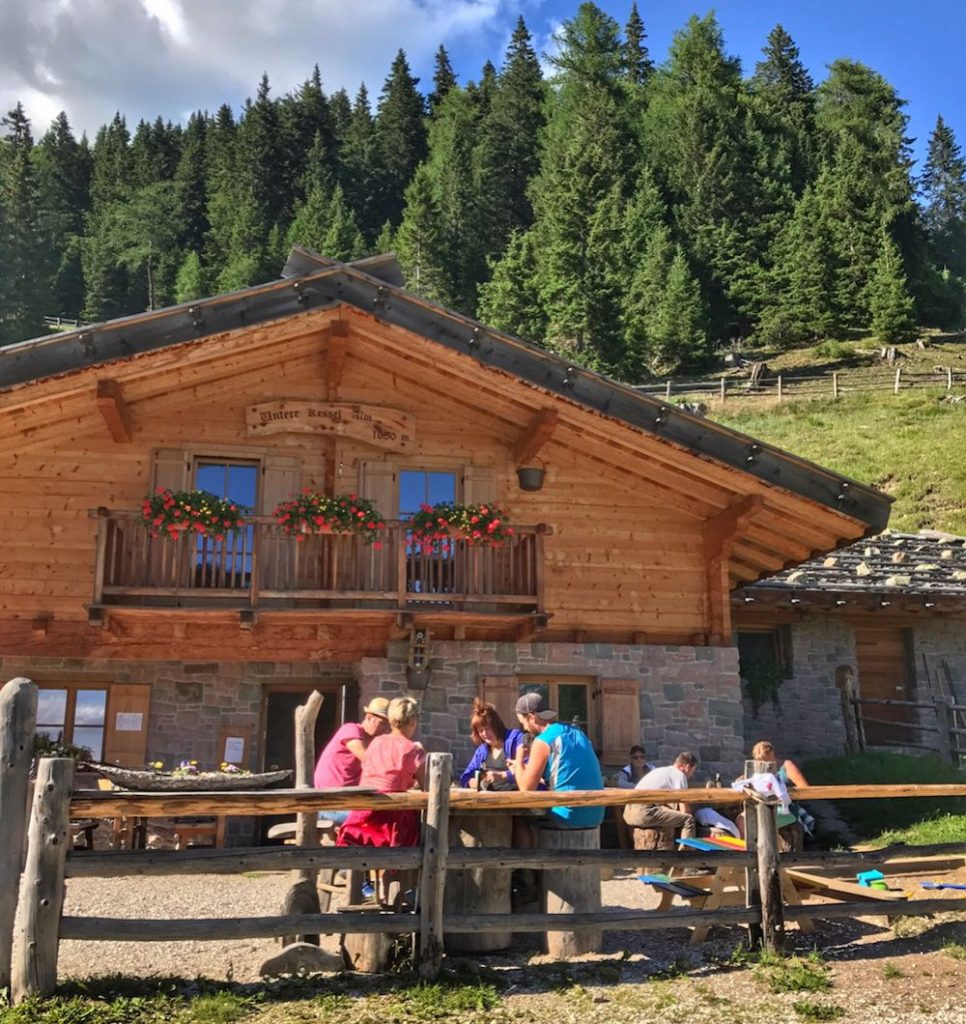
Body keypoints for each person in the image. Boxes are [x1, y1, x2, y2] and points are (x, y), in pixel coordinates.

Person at [336, 696, 426, 904]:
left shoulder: (376, 742)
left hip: (361, 819)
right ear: (412, 721)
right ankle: (407, 893)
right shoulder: (413, 749)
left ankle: (379, 892)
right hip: (390, 825)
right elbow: (427, 786)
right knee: (422, 829)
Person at [510, 691, 604, 829]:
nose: (524, 728)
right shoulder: (579, 733)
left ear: (531, 717)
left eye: (523, 723)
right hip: (596, 815)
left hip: (568, 816)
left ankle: (523, 852)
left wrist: (518, 758)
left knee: (519, 817)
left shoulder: (543, 740)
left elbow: (526, 788)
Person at [312, 697, 391, 826]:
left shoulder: (373, 742)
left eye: (388, 726)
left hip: (347, 801)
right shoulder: (351, 729)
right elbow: (369, 760)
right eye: (382, 723)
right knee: (376, 820)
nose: (385, 729)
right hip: (329, 804)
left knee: (388, 815)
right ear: (369, 717)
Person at [623, 751, 699, 841]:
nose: (692, 775)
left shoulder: (660, 771)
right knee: (688, 820)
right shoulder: (679, 775)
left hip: (628, 813)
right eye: (692, 771)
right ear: (686, 767)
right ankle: (687, 853)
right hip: (643, 813)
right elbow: (684, 809)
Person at [459, 697, 525, 791]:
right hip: (490, 801)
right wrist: (471, 782)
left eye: (487, 728)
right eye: (480, 730)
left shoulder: (516, 738)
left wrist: (504, 775)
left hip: (519, 799)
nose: (485, 734)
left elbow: (529, 768)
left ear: (496, 725)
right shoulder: (481, 751)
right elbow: (465, 777)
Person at [613, 745, 654, 849]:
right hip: (631, 802)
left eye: (642, 757)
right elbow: (621, 784)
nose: (639, 760)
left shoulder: (652, 769)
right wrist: (641, 787)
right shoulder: (626, 771)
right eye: (636, 757)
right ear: (631, 759)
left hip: (650, 802)